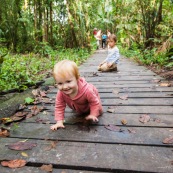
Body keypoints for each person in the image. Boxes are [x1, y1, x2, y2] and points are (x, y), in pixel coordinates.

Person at [50, 60, 103, 130]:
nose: (65, 87)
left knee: (98, 111)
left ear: (77, 78)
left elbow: (95, 103)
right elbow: (59, 106)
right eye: (60, 83)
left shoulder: (87, 90)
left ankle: (92, 113)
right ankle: (80, 109)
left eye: (68, 81)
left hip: (93, 103)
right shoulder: (61, 93)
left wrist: (93, 114)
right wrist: (59, 121)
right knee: (80, 113)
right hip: (79, 107)